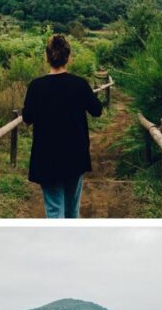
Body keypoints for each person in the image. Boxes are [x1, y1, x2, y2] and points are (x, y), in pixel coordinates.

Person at [22, 34, 103, 218]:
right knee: (72, 211)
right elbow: (97, 110)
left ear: (47, 57)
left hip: (46, 157)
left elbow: (27, 118)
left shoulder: (36, 86)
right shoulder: (79, 84)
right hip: (75, 155)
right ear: (69, 57)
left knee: (54, 211)